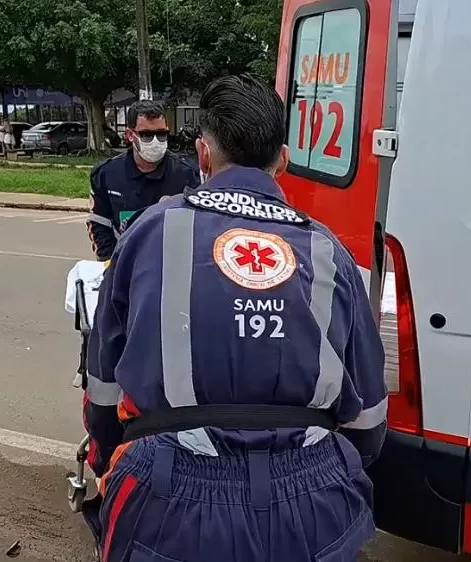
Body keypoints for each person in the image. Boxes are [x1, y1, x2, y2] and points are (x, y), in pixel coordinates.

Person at [83, 74, 388, 562]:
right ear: (282, 160)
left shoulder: (150, 233)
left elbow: (103, 390)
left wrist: (106, 460)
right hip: (313, 506)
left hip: (170, 502)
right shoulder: (328, 250)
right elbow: (368, 419)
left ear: (203, 155)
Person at [86, 100, 200, 261]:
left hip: (172, 263)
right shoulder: (105, 174)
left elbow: (199, 227)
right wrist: (111, 263)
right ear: (130, 135)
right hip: (124, 262)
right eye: (147, 135)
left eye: (161, 134)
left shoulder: (188, 174)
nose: (156, 141)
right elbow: (99, 222)